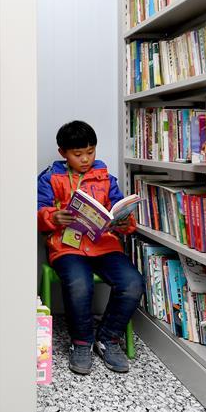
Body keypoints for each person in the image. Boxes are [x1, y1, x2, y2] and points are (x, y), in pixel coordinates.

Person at [37, 121, 143, 374]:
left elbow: (119, 210)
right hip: (67, 248)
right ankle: (81, 342)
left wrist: (124, 222)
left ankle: (107, 339)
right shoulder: (50, 178)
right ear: (63, 152)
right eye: (77, 154)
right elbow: (39, 211)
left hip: (104, 245)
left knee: (132, 282)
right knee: (79, 284)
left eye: (90, 152)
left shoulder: (107, 178)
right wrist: (53, 217)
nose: (85, 159)